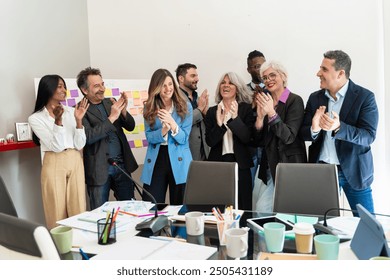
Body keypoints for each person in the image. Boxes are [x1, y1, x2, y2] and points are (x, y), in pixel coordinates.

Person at [300, 50, 379, 215]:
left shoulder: (365, 97)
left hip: (355, 172)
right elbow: (303, 133)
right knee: (323, 226)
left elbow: (368, 136)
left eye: (324, 69)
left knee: (366, 225)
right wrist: (314, 128)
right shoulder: (315, 98)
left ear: (340, 73)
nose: (318, 73)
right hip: (322, 171)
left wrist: (338, 127)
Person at [28, 74, 89, 229]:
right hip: (54, 160)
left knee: (78, 208)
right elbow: (56, 146)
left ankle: (80, 248)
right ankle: (59, 251)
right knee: (55, 210)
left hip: (75, 159)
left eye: (64, 86)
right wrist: (58, 121)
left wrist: (79, 121)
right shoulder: (35, 118)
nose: (64, 90)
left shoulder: (72, 111)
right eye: (60, 86)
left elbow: (80, 144)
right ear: (48, 89)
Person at [77, 67, 138, 210]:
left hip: (121, 166)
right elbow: (88, 137)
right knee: (99, 214)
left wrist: (123, 112)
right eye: (96, 86)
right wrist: (111, 118)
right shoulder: (79, 109)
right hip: (99, 170)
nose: (102, 89)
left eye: (102, 84)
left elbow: (130, 126)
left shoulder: (111, 102)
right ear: (84, 90)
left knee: (130, 209)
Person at [253, 61, 307, 213]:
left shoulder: (294, 100)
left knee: (265, 210)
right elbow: (258, 141)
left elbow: (289, 136)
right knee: (263, 211)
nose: (268, 80)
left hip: (289, 166)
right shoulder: (265, 101)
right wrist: (259, 118)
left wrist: (271, 113)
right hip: (269, 166)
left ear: (283, 77)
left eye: (272, 75)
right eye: (265, 78)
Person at [140, 68, 193, 204]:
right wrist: (163, 130)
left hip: (180, 158)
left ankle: (178, 227)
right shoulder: (149, 107)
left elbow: (184, 138)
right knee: (151, 205)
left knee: (180, 207)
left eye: (170, 84)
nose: (168, 88)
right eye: (163, 85)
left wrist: (172, 124)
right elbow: (149, 138)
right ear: (156, 87)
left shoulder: (185, 106)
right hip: (157, 158)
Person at [205, 72, 255, 210]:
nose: (226, 86)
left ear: (237, 88)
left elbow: (247, 138)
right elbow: (210, 141)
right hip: (218, 163)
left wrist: (235, 118)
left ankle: (243, 231)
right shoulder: (212, 111)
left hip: (241, 163)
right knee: (218, 204)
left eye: (230, 83)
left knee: (242, 205)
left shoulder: (245, 109)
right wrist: (220, 125)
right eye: (223, 82)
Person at [175, 63, 209, 161]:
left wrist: (205, 113)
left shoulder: (198, 99)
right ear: (181, 78)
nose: (197, 79)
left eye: (197, 75)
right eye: (193, 76)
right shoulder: (175, 99)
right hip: (185, 154)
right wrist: (199, 109)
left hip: (204, 154)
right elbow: (181, 121)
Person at [246, 50, 267, 195]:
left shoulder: (275, 87)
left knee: (271, 189)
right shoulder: (242, 90)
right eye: (256, 66)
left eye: (262, 65)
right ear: (249, 69)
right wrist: (251, 106)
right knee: (248, 187)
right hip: (250, 146)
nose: (260, 69)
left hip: (268, 145)